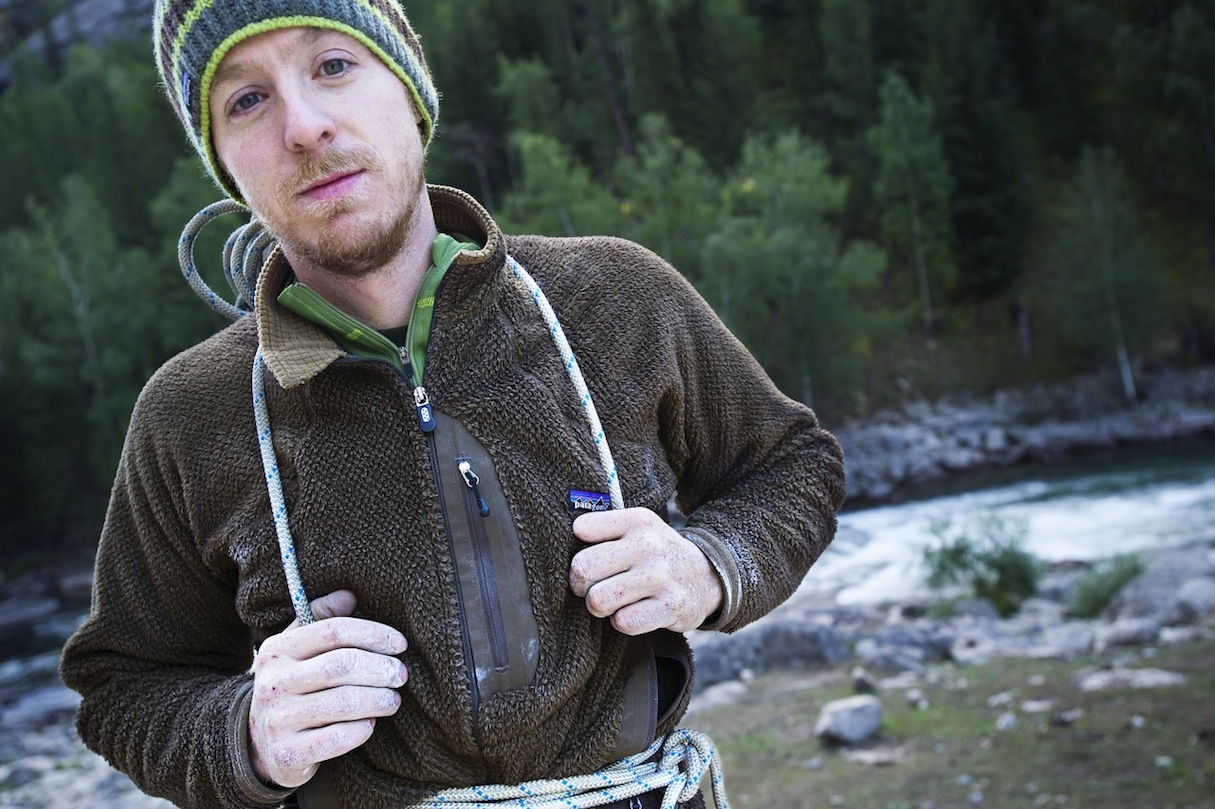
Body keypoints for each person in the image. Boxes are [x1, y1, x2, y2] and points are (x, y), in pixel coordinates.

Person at [59, 2, 847, 807]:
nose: (303, 127)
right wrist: (247, 735)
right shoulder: (191, 414)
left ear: (410, 89)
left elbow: (790, 464)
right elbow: (123, 684)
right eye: (245, 101)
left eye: (332, 65)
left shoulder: (616, 298)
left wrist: (711, 565)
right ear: (226, 164)